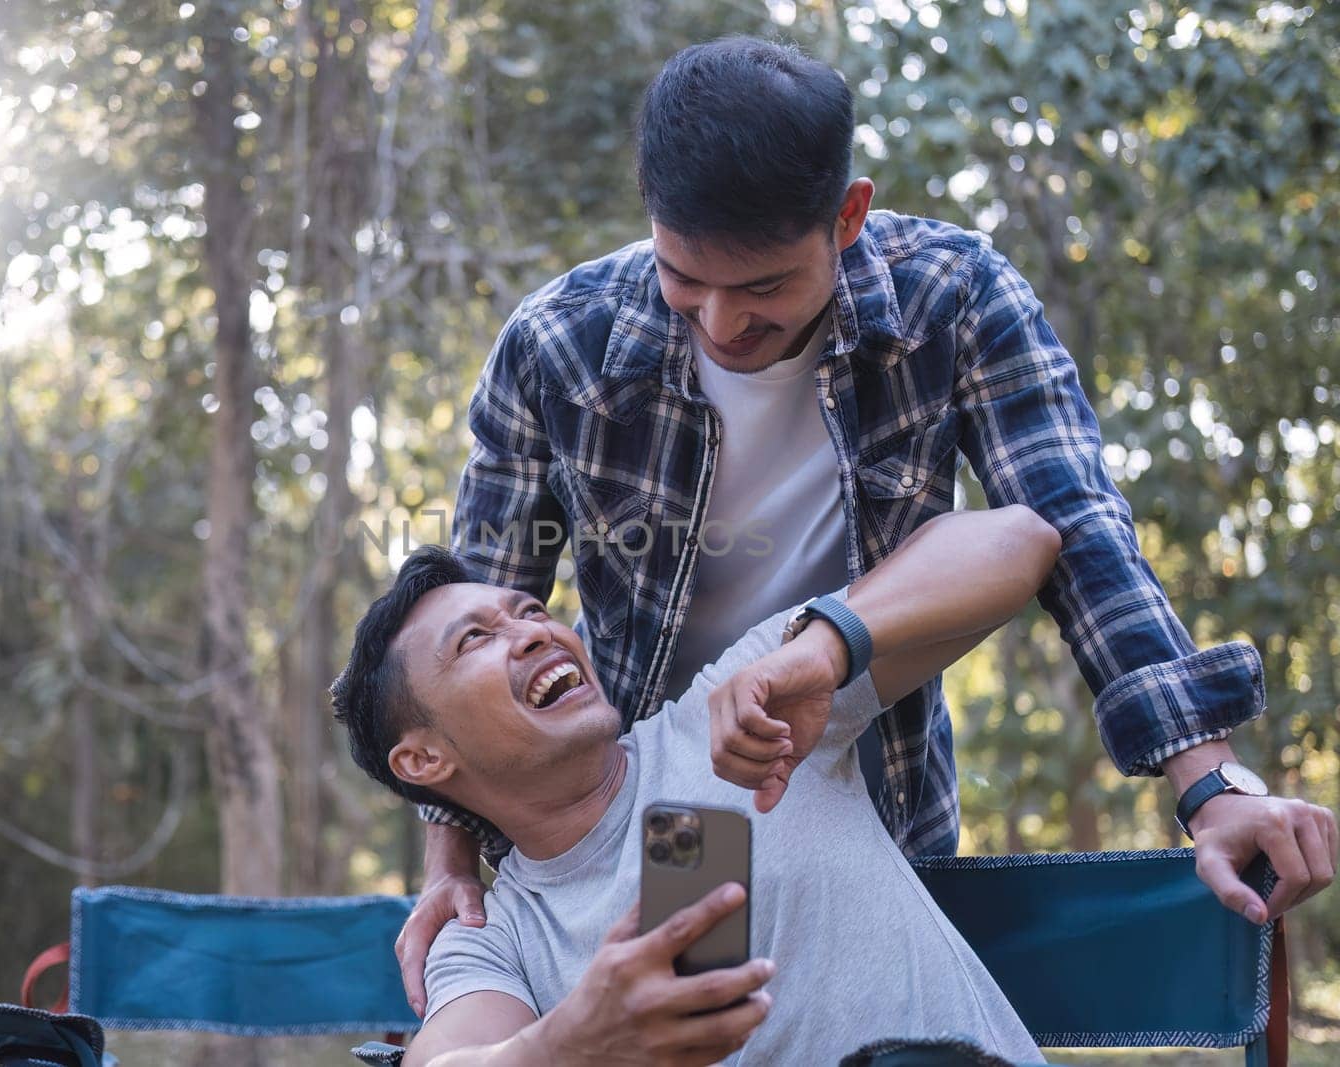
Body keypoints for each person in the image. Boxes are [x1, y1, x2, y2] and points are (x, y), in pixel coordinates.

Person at [395, 36, 1336, 1014]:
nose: (720, 324)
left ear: (848, 215)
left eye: (761, 287)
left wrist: (1208, 781)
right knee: (709, 1028)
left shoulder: (953, 295)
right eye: (685, 277)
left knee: (900, 1027)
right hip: (671, 796)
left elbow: (1068, 526)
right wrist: (448, 851)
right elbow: (477, 593)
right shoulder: (562, 339)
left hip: (865, 768)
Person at [332, 506, 1059, 1065]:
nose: (533, 632)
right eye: (474, 640)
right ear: (422, 760)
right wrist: (563, 1044)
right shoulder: (494, 940)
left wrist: (828, 645)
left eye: (530, 611)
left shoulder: (740, 709)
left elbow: (1020, 538)